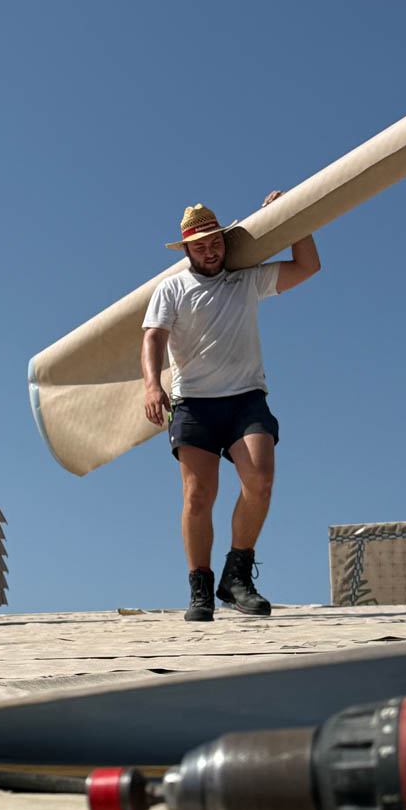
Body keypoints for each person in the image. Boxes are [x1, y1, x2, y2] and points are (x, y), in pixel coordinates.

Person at [141, 195, 320, 622]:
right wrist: (152, 384)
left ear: (224, 241)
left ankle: (236, 577)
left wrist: (293, 214)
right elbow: (152, 338)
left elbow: (307, 266)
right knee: (199, 495)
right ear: (186, 251)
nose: (209, 251)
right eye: (199, 246)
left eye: (214, 242)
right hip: (194, 404)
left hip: (246, 398)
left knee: (260, 478)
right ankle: (200, 587)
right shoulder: (172, 288)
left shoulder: (246, 281)